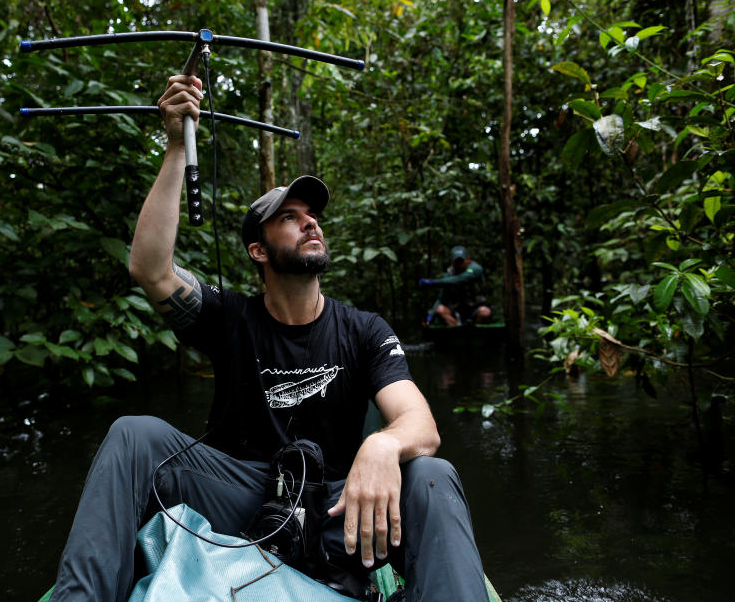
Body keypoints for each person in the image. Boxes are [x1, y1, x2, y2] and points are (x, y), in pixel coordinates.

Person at [47, 75, 487, 602]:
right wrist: (173, 146)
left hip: (338, 507)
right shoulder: (229, 316)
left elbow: (421, 423)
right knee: (134, 434)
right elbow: (149, 269)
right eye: (291, 218)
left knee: (430, 473)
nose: (311, 225)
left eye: (314, 218)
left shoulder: (364, 329)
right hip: (242, 496)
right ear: (258, 250)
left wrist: (384, 442)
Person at [419, 247, 492, 326]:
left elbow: (459, 280)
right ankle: (457, 333)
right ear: (452, 262)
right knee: (440, 310)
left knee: (485, 312)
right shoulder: (449, 275)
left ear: (467, 259)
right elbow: (441, 298)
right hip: (457, 311)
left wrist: (433, 282)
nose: (459, 264)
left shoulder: (475, 269)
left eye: (461, 261)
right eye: (456, 262)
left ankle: (475, 335)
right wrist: (430, 316)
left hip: (474, 308)